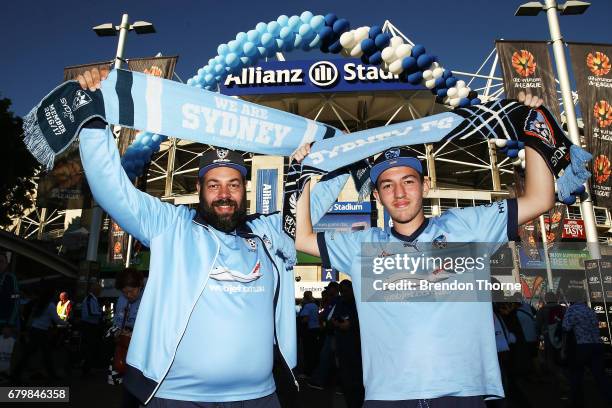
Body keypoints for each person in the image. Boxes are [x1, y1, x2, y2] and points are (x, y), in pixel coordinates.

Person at [74, 67, 340, 407]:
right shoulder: (171, 225)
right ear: (199, 189)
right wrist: (94, 122)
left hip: (259, 398)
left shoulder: (267, 232)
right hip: (174, 398)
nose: (224, 194)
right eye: (214, 185)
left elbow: (315, 203)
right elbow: (112, 190)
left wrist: (333, 156)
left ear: (244, 190)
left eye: (232, 185)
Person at [295, 94, 556, 406]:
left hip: (462, 394)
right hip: (387, 398)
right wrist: (306, 175)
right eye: (388, 185)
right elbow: (301, 239)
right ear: (377, 196)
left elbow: (540, 198)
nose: (400, 193)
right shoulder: (363, 246)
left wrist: (533, 125)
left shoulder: (466, 228)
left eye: (408, 181)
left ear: (426, 185)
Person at [562, 287, 612, 408]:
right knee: (600, 376)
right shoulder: (589, 310)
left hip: (581, 346)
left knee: (576, 375)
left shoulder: (572, 310)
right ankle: (609, 399)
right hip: (597, 345)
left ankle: (576, 402)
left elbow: (565, 328)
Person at [11, 286, 67, 383]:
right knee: (45, 353)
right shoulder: (50, 305)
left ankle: (16, 373)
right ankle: (51, 374)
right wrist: (67, 323)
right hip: (41, 332)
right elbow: (56, 319)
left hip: (34, 330)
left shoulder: (40, 303)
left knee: (32, 353)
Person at [111, 268, 145, 408]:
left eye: (131, 291)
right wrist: (117, 332)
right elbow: (116, 323)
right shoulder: (122, 300)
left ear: (140, 286)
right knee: (129, 393)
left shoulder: (150, 297)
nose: (128, 295)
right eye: (125, 292)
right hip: (127, 352)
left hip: (144, 355)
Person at [332, 280, 364, 408]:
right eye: (341, 291)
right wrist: (337, 323)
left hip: (358, 348)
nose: (343, 293)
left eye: (345, 290)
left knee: (358, 381)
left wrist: (350, 324)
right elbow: (333, 318)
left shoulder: (359, 303)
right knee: (347, 381)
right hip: (343, 347)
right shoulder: (340, 303)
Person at [80, 282, 102, 375]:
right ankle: (86, 369)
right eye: (99, 289)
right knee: (90, 347)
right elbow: (91, 313)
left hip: (91, 326)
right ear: (94, 289)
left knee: (91, 347)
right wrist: (101, 313)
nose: (100, 291)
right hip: (89, 326)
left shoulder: (93, 299)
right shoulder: (89, 299)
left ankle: (88, 368)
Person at [298, 291, 320, 377]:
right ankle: (314, 370)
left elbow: (305, 319)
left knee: (307, 352)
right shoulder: (315, 305)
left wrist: (299, 320)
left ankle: (307, 372)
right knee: (314, 351)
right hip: (316, 330)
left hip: (308, 331)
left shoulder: (307, 306)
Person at [0, 253, 19, 329]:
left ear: (6, 264)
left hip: (2, 322)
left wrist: (10, 324)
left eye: (1, 261)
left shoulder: (10, 278)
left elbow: (16, 298)